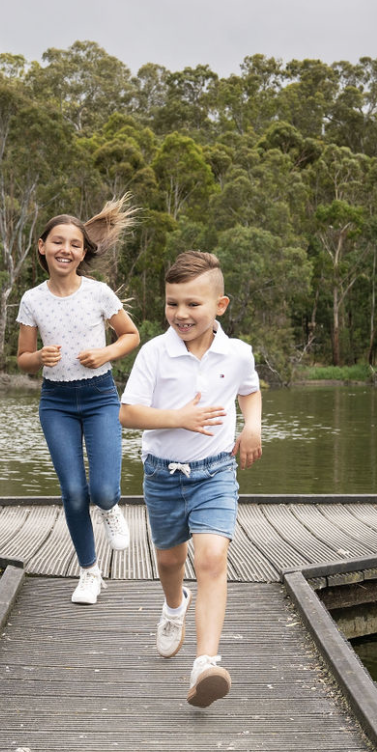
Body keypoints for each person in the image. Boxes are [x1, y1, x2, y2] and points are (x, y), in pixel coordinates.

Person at [119, 250, 262, 707]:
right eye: (171, 303)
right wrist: (177, 418)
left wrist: (253, 426)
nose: (180, 314)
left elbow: (250, 390)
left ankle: (206, 662)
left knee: (212, 558)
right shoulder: (154, 353)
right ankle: (173, 606)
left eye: (192, 305)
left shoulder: (237, 353)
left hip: (215, 471)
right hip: (163, 475)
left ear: (220, 305)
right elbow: (127, 413)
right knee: (168, 564)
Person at [16, 196, 140, 605]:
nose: (65, 249)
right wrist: (38, 357)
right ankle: (89, 572)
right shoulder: (32, 300)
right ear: (42, 246)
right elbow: (23, 361)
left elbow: (131, 336)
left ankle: (110, 507)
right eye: (57, 242)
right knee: (72, 492)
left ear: (83, 251)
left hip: (100, 396)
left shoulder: (99, 293)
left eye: (74, 243)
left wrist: (105, 353)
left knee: (102, 490)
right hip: (56, 403)